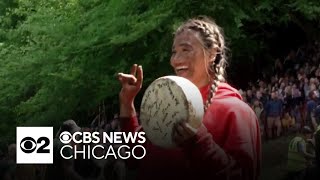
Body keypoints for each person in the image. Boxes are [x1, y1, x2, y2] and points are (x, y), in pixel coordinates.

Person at [117, 16, 261, 180]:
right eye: (174, 52)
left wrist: (198, 142)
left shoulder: (236, 112)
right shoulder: (168, 104)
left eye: (186, 50)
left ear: (213, 54)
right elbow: (134, 159)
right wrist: (127, 103)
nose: (175, 60)